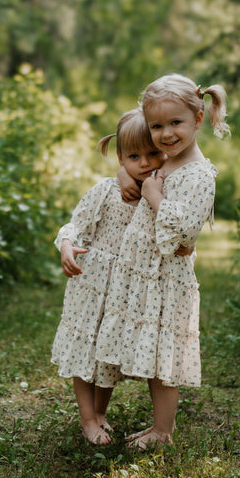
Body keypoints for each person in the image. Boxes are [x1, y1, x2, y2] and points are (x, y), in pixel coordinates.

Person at [96, 73, 230, 449]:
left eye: (176, 123)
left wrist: (154, 198)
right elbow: (132, 151)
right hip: (143, 276)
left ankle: (163, 432)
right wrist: (124, 170)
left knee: (164, 359)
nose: (166, 134)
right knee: (153, 352)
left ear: (198, 120)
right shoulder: (165, 160)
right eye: (157, 126)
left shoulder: (199, 175)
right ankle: (156, 427)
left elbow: (184, 235)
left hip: (167, 279)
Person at [51, 109, 167, 445]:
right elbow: (76, 224)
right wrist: (68, 246)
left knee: (108, 354)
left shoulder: (161, 195)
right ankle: (88, 420)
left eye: (152, 154)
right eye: (133, 157)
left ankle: (100, 414)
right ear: (120, 157)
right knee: (85, 349)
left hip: (126, 292)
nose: (144, 163)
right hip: (92, 286)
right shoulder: (104, 190)